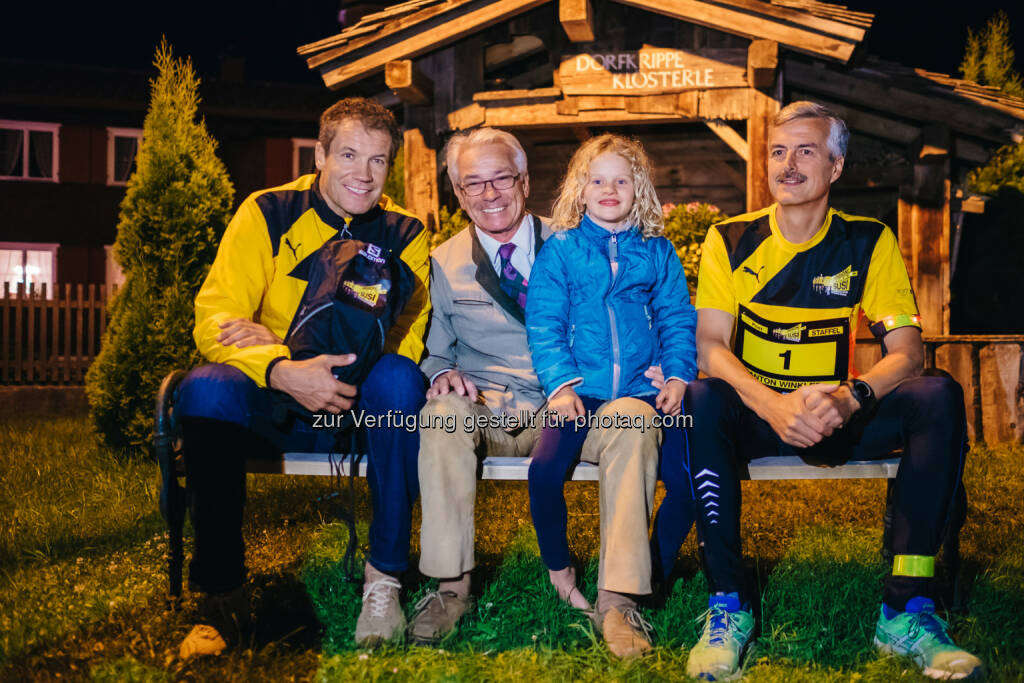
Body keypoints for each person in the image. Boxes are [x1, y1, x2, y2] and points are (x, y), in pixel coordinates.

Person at [682, 101, 982, 681]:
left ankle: (906, 610)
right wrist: (773, 405)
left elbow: (908, 352)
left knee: (937, 395)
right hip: (761, 416)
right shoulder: (731, 238)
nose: (787, 164)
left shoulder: (868, 240)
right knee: (704, 397)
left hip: (839, 414)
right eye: (777, 151)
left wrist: (852, 398)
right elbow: (711, 347)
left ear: (835, 166)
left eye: (806, 151)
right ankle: (727, 608)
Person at [172, 98, 431, 657]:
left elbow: (407, 335)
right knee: (206, 387)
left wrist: (337, 377)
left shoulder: (405, 232)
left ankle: (383, 579)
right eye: (349, 155)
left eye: (379, 161)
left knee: (400, 380)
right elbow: (215, 320)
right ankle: (223, 596)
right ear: (319, 154)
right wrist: (283, 369)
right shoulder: (266, 212)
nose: (364, 175)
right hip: (273, 401)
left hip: (359, 402)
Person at [413, 128, 672, 658]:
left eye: (501, 179)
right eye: (472, 184)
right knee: (440, 416)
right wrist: (440, 375)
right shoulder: (444, 261)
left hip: (579, 406)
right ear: (458, 194)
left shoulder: (576, 240)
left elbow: (642, 311)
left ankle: (619, 599)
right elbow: (435, 351)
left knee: (633, 421)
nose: (489, 194)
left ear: (525, 182)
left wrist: (664, 361)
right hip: (485, 407)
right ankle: (449, 588)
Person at [524, 134, 697, 656]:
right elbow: (545, 323)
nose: (609, 188)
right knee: (544, 470)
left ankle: (640, 579)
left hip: (640, 396)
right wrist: (560, 386)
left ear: (638, 188)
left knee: (688, 479)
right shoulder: (563, 250)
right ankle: (561, 571)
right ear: (580, 188)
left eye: (622, 179)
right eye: (597, 179)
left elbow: (676, 319)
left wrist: (677, 377)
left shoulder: (657, 251)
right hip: (577, 394)